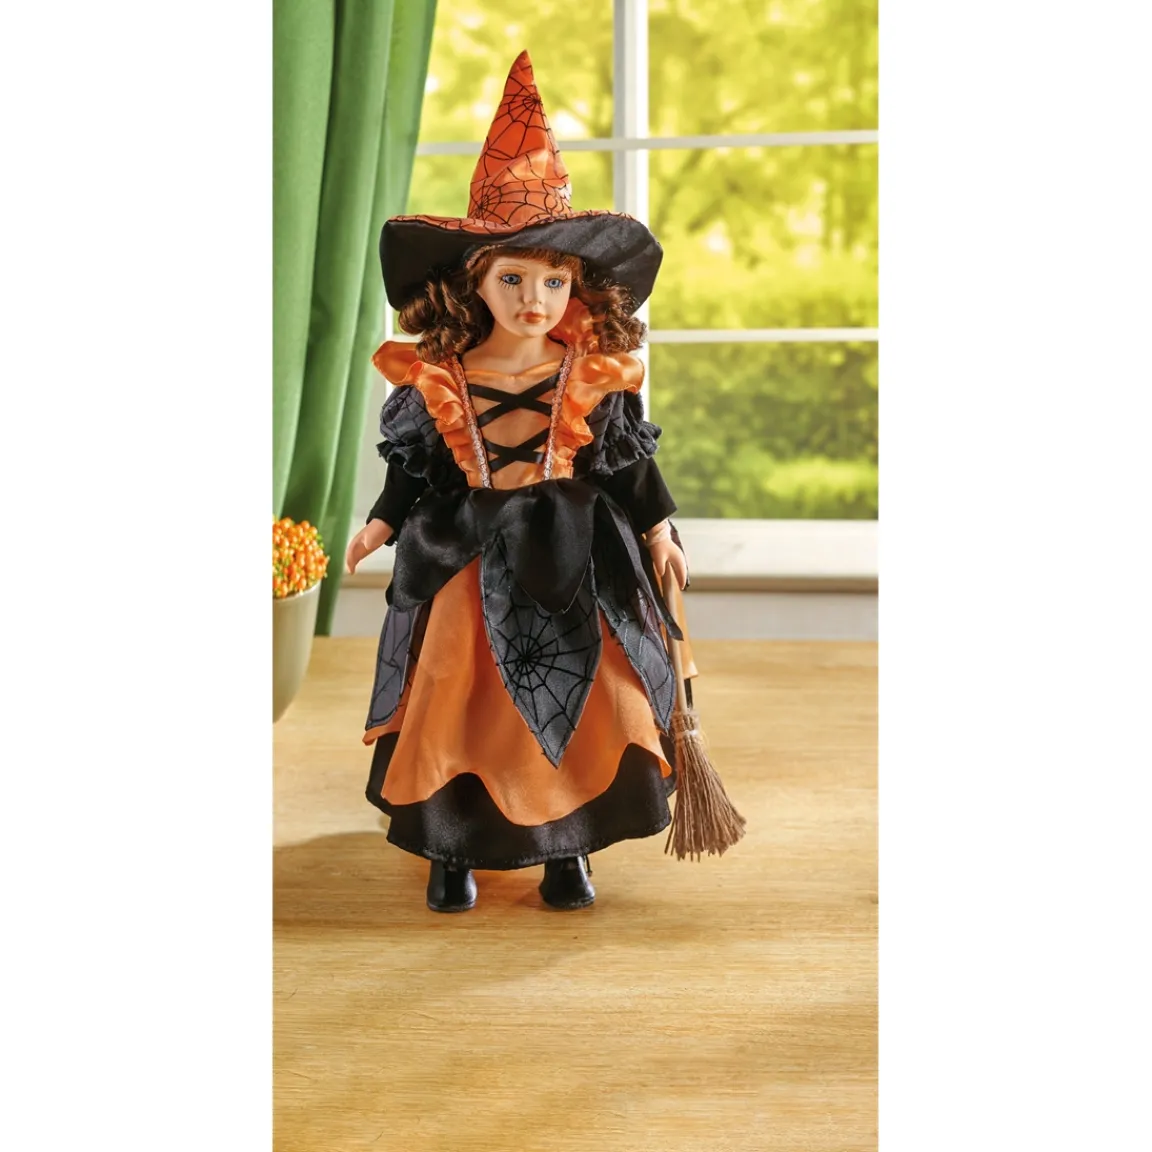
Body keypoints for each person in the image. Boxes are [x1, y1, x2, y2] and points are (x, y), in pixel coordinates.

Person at [345, 50, 697, 913]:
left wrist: (659, 530)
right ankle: (451, 847)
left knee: (591, 692)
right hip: (466, 560)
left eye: (553, 281)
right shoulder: (442, 376)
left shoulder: (590, 372)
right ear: (474, 282)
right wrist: (381, 523)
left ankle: (565, 849)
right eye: (512, 279)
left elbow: (625, 461)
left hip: (575, 554)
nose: (534, 299)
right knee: (454, 696)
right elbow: (417, 466)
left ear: (576, 286)